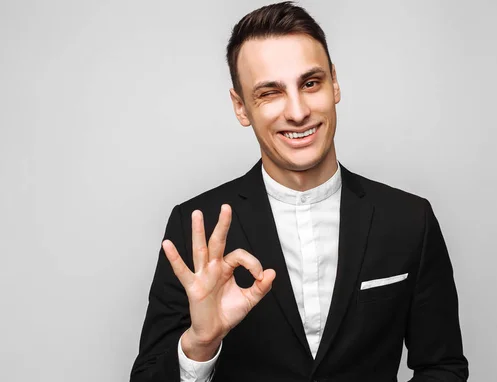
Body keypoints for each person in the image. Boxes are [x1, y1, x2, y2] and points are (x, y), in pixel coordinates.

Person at [130, 2, 468, 381]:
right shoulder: (196, 228)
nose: (297, 111)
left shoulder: (409, 219)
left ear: (334, 83)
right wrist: (200, 344)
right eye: (269, 93)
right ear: (241, 108)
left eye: (310, 83)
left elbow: (442, 367)